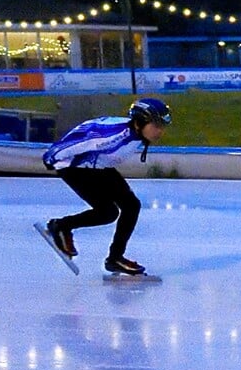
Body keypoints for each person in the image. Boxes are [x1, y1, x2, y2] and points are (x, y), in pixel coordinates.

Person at [36, 97, 172, 276]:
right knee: (107, 213)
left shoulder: (135, 133)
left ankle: (115, 259)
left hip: (98, 165)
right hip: (73, 167)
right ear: (139, 123)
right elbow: (83, 139)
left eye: (162, 126)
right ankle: (61, 226)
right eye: (156, 126)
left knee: (131, 205)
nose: (160, 131)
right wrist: (52, 156)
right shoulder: (112, 137)